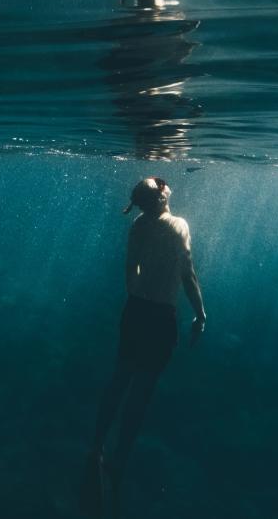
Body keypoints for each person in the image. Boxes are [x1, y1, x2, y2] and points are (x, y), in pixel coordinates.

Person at [81, 177, 206, 516]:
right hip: (161, 315)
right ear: (161, 196)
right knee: (142, 388)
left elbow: (131, 267)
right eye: (161, 183)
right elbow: (188, 273)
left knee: (120, 377)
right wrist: (201, 314)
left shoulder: (138, 223)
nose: (167, 183)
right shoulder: (179, 225)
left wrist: (138, 293)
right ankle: (119, 458)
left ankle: (96, 447)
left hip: (135, 310)